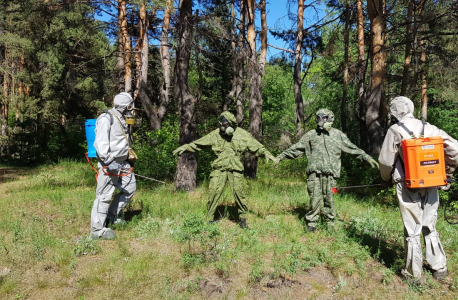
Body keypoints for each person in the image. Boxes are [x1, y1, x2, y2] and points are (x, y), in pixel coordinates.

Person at [378, 96, 458, 281]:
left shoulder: (395, 130)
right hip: (431, 183)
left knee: (412, 228)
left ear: (395, 112)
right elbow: (455, 149)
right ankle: (439, 267)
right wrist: (447, 172)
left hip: (407, 184)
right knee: (429, 224)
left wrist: (385, 178)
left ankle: (413, 274)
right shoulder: (430, 128)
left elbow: (385, 161)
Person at [274, 108, 379, 232]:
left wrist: (366, 157)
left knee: (329, 198)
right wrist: (280, 157)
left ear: (330, 119)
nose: (321, 121)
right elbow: (295, 148)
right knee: (314, 198)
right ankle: (312, 223)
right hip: (314, 173)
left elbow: (352, 148)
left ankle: (330, 222)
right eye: (319, 118)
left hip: (330, 174)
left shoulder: (338, 135)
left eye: (324, 118)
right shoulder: (311, 135)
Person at [173, 111, 278, 229]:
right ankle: (209, 219)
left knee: (239, 193)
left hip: (235, 168)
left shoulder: (243, 135)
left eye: (225, 125)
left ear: (232, 125)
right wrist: (185, 147)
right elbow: (199, 143)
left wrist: (269, 155)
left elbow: (258, 147)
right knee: (214, 192)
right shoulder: (216, 134)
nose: (222, 127)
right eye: (221, 125)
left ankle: (242, 220)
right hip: (220, 167)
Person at [90, 92, 137, 239]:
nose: (132, 108)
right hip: (109, 163)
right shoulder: (106, 118)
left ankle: (112, 215)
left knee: (129, 189)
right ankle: (97, 230)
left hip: (123, 162)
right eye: (130, 105)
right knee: (104, 195)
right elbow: (100, 143)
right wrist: (109, 161)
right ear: (125, 106)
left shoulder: (123, 118)